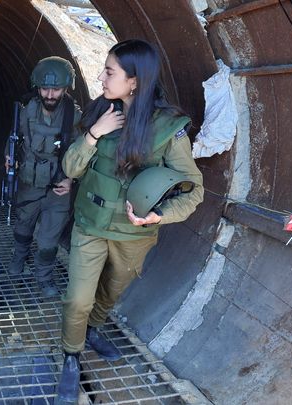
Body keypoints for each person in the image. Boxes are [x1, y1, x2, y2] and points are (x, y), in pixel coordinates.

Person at [55, 39, 204, 403]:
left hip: (133, 236)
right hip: (90, 226)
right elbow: (70, 168)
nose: (101, 77)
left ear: (135, 81)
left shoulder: (169, 129)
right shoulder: (98, 112)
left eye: (110, 72)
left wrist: (160, 214)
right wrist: (94, 133)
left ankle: (92, 330)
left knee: (110, 293)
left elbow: (194, 191)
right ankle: (71, 357)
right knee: (77, 299)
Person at [4, 56, 81, 298]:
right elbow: (14, 139)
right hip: (29, 184)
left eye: (56, 89)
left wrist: (72, 179)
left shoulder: (75, 118)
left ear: (66, 88)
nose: (49, 94)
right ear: (37, 87)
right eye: (45, 88)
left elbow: (83, 153)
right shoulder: (27, 112)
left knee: (49, 239)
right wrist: (8, 157)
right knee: (23, 227)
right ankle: (19, 258)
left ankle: (44, 277)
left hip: (58, 189)